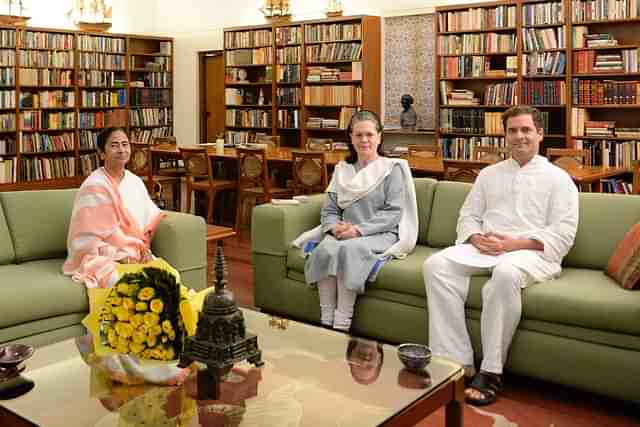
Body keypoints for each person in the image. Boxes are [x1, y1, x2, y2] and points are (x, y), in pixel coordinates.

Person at [423, 106, 579, 406]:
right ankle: (456, 363)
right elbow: (468, 215)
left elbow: (563, 234)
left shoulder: (559, 179)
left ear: (539, 134)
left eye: (526, 130)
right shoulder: (489, 174)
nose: (519, 136)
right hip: (486, 248)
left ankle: (491, 371)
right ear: (505, 135)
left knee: (505, 274)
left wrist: (513, 244)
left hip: (532, 252)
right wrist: (475, 237)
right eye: (513, 130)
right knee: (436, 265)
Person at [297, 110, 418, 331]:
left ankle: (342, 324)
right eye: (359, 135)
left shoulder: (392, 170)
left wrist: (358, 231)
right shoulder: (342, 171)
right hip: (344, 231)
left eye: (370, 135)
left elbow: (392, 213)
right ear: (351, 137)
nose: (364, 140)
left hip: (381, 233)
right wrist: (334, 228)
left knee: (349, 250)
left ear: (379, 137)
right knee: (327, 248)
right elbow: (330, 209)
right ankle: (326, 321)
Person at [63, 127, 165, 288]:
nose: (121, 150)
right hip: (106, 258)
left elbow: (145, 225)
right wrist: (120, 257)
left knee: (168, 278)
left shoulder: (135, 182)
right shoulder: (94, 186)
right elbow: (86, 241)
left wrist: (144, 250)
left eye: (125, 144)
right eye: (114, 145)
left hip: (135, 253)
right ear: (102, 153)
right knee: (128, 285)